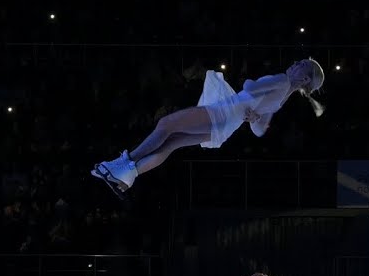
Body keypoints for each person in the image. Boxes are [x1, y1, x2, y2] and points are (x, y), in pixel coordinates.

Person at [91, 59, 325, 197]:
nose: (295, 64)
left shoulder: (282, 81)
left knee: (166, 125)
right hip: (229, 125)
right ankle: (130, 176)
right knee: (173, 142)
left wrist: (251, 100)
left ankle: (124, 164)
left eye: (301, 65)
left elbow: (250, 86)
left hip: (225, 111)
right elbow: (259, 130)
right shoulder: (283, 98)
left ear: (304, 80)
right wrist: (254, 117)